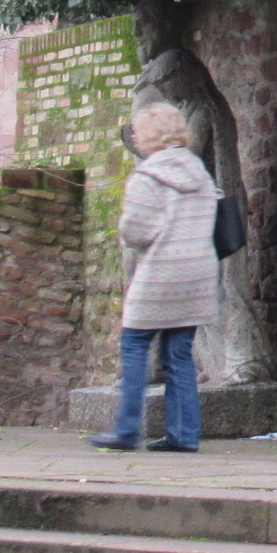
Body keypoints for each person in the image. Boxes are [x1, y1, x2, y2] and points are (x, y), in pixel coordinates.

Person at [92, 101, 221, 453]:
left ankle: (127, 428)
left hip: (160, 273)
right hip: (198, 273)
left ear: (145, 135)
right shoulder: (199, 171)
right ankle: (184, 434)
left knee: (135, 344)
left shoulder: (147, 176)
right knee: (179, 354)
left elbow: (136, 232)